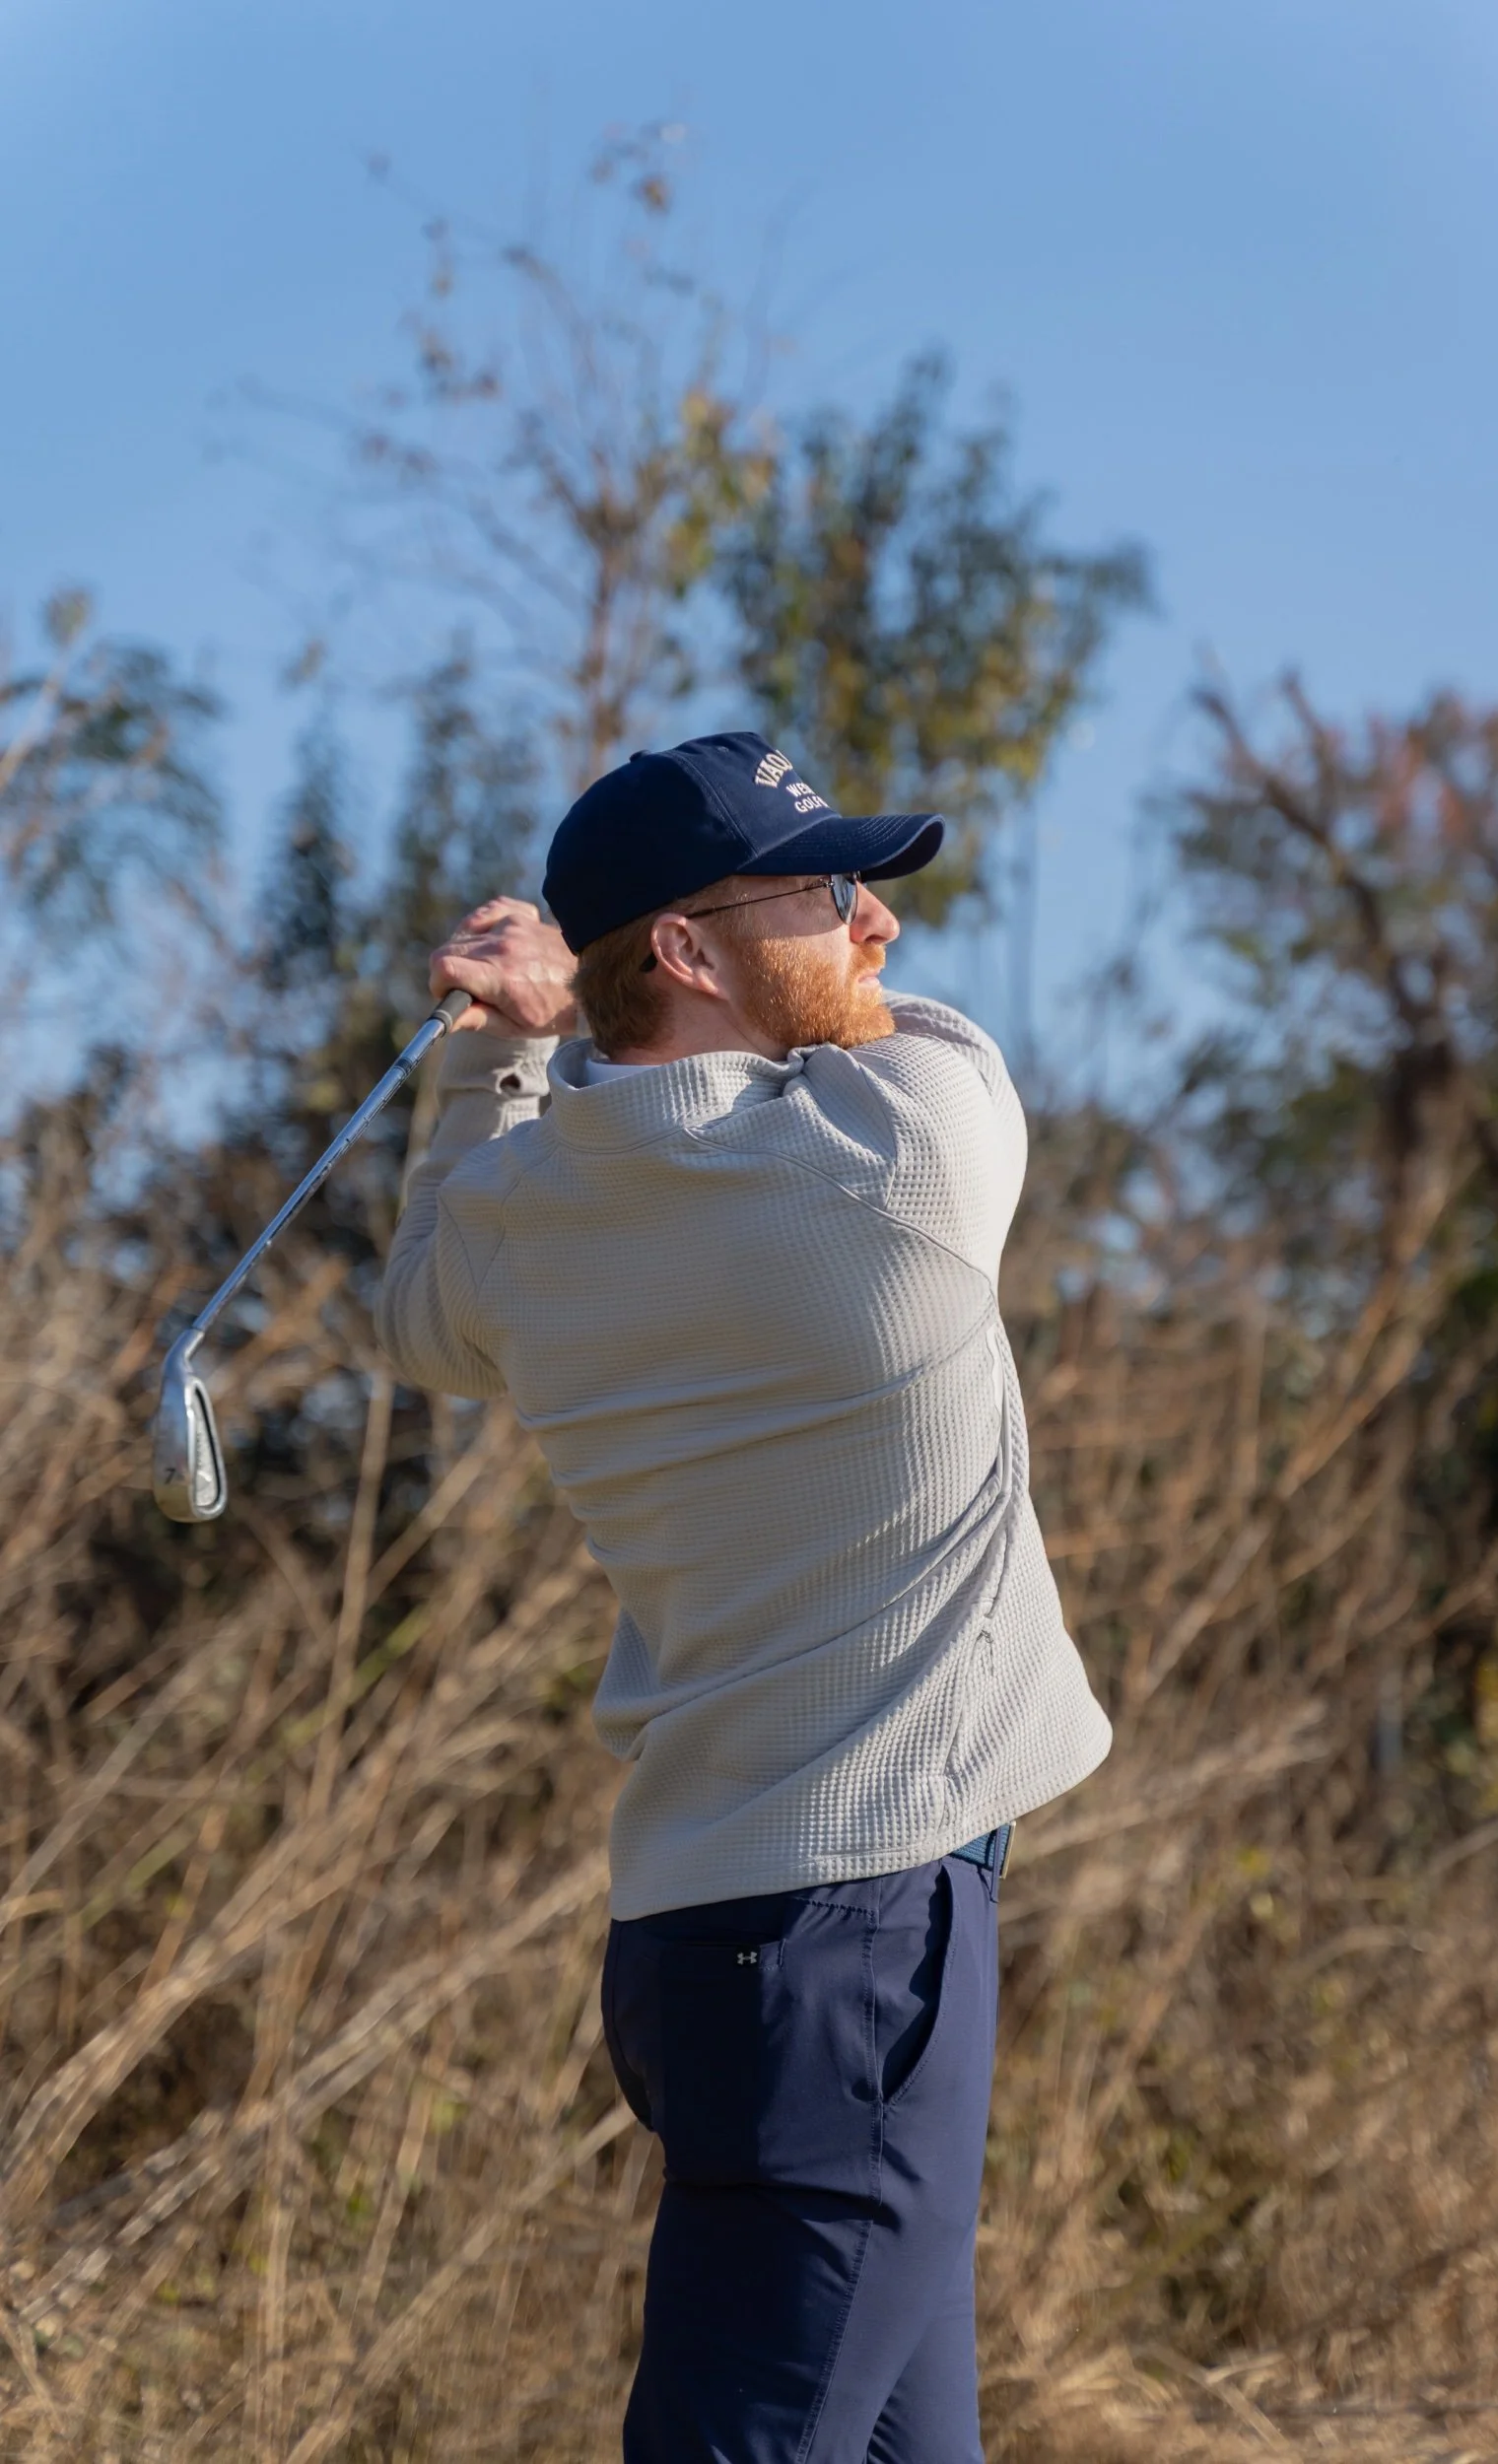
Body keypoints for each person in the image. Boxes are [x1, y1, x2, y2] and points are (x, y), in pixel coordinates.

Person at [375, 730, 1112, 2464]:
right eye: (826, 890)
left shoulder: (519, 1215)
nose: (876, 924)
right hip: (862, 1938)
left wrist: (505, 1051)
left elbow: (415, 1315)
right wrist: (558, 1024)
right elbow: (911, 1032)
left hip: (707, 1937)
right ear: (686, 951)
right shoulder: (895, 1151)